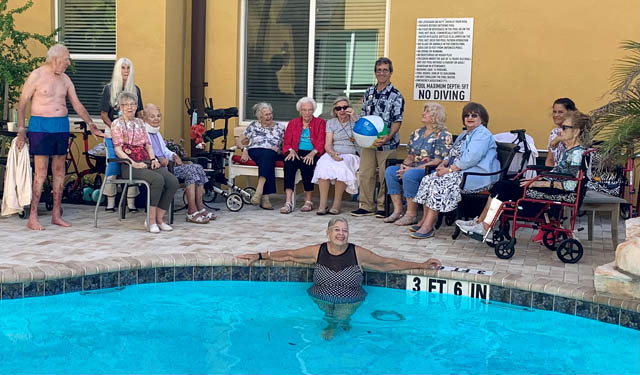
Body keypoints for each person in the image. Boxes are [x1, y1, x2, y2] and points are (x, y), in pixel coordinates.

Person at [237, 218, 441, 340]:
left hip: (351, 298)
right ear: (328, 233)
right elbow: (290, 254)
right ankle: (338, 322)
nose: (341, 234)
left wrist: (421, 265)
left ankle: (333, 325)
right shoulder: (317, 251)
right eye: (337, 230)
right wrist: (260, 255)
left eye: (345, 230)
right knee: (332, 312)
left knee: (339, 316)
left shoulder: (358, 253)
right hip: (320, 296)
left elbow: (387, 263)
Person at [458, 111, 591, 238]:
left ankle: (485, 226)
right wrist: (556, 142)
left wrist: (538, 182)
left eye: (564, 128)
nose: (560, 131)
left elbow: (570, 184)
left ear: (576, 131)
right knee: (501, 186)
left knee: (503, 187)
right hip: (549, 185)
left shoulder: (576, 154)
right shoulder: (570, 150)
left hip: (557, 191)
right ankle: (481, 223)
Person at [15, 44, 103, 231]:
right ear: (55, 59)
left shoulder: (65, 80)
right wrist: (22, 130)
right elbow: (22, 104)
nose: (68, 63)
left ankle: (56, 214)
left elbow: (77, 104)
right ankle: (33, 217)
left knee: (60, 172)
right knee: (40, 172)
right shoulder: (37, 75)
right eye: (66, 59)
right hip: (41, 126)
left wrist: (91, 124)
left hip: (60, 126)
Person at [410, 102, 500, 239]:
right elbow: (452, 152)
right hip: (460, 172)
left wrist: (449, 170)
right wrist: (444, 163)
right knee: (429, 179)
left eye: (474, 115)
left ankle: (429, 225)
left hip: (478, 175)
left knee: (440, 182)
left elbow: (470, 159)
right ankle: (425, 220)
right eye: (467, 115)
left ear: (482, 118)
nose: (470, 117)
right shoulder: (465, 134)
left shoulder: (482, 134)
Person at [110, 92, 179, 233]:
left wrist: (153, 159)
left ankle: (159, 219)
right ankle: (150, 219)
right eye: (126, 104)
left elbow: (148, 145)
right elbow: (118, 149)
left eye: (133, 104)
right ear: (120, 107)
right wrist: (133, 164)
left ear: (136, 107)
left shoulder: (140, 123)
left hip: (145, 161)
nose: (130, 107)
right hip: (128, 165)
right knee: (157, 180)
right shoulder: (116, 124)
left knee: (172, 181)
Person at [351, 57, 405, 218]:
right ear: (375, 72)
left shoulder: (396, 95)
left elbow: (397, 120)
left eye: (385, 70)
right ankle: (366, 205)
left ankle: (382, 206)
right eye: (379, 70)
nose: (382, 73)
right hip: (368, 142)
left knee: (384, 175)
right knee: (366, 173)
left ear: (391, 73)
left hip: (387, 143)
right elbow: (363, 116)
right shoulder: (368, 92)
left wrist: (388, 137)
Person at [144, 103, 215, 224]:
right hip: (158, 169)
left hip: (168, 166)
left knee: (198, 167)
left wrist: (174, 155)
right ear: (145, 119)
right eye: (152, 116)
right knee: (191, 171)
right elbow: (145, 152)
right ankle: (191, 211)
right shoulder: (144, 133)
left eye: (158, 116)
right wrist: (157, 159)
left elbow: (165, 150)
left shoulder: (157, 133)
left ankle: (200, 207)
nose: (156, 119)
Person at [383, 102, 452, 226]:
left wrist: (409, 170)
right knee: (390, 171)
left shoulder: (443, 135)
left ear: (436, 116)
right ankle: (398, 211)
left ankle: (411, 214)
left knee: (410, 175)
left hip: (431, 169)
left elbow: (438, 161)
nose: (423, 114)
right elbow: (411, 155)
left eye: (427, 112)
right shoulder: (417, 133)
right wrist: (405, 165)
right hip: (414, 166)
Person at [100, 57, 144, 213]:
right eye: (123, 68)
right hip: (112, 133)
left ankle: (131, 202)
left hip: (132, 135)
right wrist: (115, 128)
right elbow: (104, 114)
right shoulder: (109, 89)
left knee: (131, 163)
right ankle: (110, 201)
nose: (125, 71)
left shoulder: (135, 90)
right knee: (113, 164)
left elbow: (139, 114)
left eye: (128, 68)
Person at [311, 97, 359, 215]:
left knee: (341, 166)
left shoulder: (356, 121)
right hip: (334, 152)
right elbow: (327, 144)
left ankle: (336, 204)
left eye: (345, 107)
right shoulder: (331, 123)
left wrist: (354, 118)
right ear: (335, 110)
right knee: (323, 164)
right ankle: (323, 204)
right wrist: (332, 154)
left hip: (350, 153)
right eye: (339, 108)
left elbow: (363, 134)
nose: (342, 110)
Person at [237, 102, 286, 210]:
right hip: (255, 151)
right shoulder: (253, 125)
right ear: (259, 116)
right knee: (267, 155)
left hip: (274, 153)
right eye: (266, 115)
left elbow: (286, 146)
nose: (269, 116)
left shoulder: (280, 127)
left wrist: (279, 150)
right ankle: (265, 197)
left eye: (270, 114)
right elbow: (239, 140)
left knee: (268, 154)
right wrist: (244, 150)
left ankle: (259, 191)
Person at [280, 97, 326, 214]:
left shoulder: (320, 123)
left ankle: (308, 200)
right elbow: (287, 141)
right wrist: (290, 150)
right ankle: (288, 201)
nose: (307, 113)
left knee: (307, 165)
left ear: (313, 111)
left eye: (310, 110)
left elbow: (321, 141)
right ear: (299, 110)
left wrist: (312, 153)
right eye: (304, 110)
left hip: (312, 152)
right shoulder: (293, 123)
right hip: (295, 151)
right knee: (289, 163)